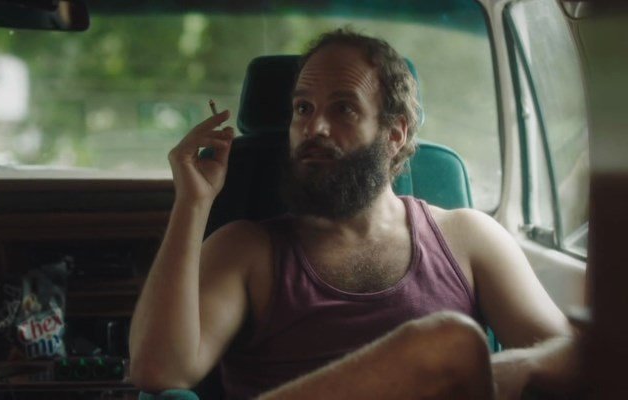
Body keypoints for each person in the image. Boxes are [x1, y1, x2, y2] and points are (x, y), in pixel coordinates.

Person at [128, 29, 577, 399]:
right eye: (303, 108)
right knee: (448, 343)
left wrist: (492, 372)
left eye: (343, 108)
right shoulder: (245, 249)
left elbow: (570, 359)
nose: (314, 127)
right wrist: (193, 203)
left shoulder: (469, 237)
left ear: (394, 134)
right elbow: (160, 372)